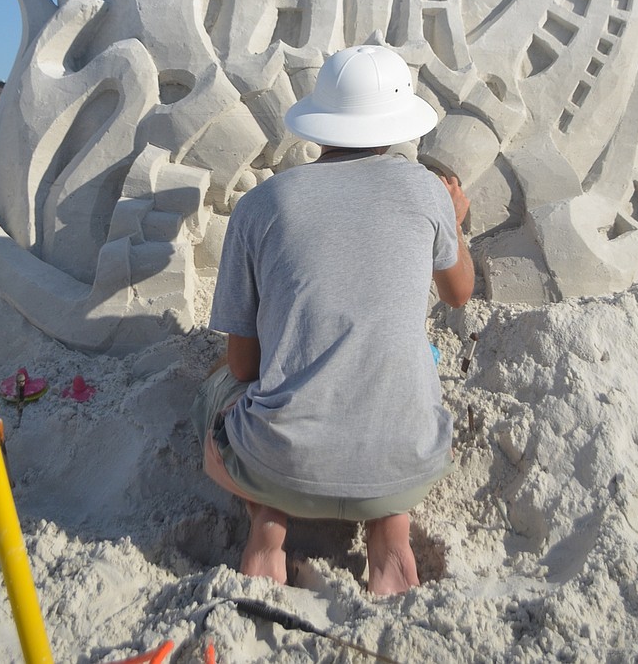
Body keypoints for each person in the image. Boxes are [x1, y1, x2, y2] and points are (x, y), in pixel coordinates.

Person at [192, 44, 474, 594]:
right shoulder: (427, 190)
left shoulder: (261, 206)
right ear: (397, 124)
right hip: (409, 460)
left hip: (281, 465)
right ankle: (391, 539)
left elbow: (244, 365)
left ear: (319, 122)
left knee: (215, 392)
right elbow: (458, 292)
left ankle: (266, 529)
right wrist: (453, 219)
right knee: (398, 379)